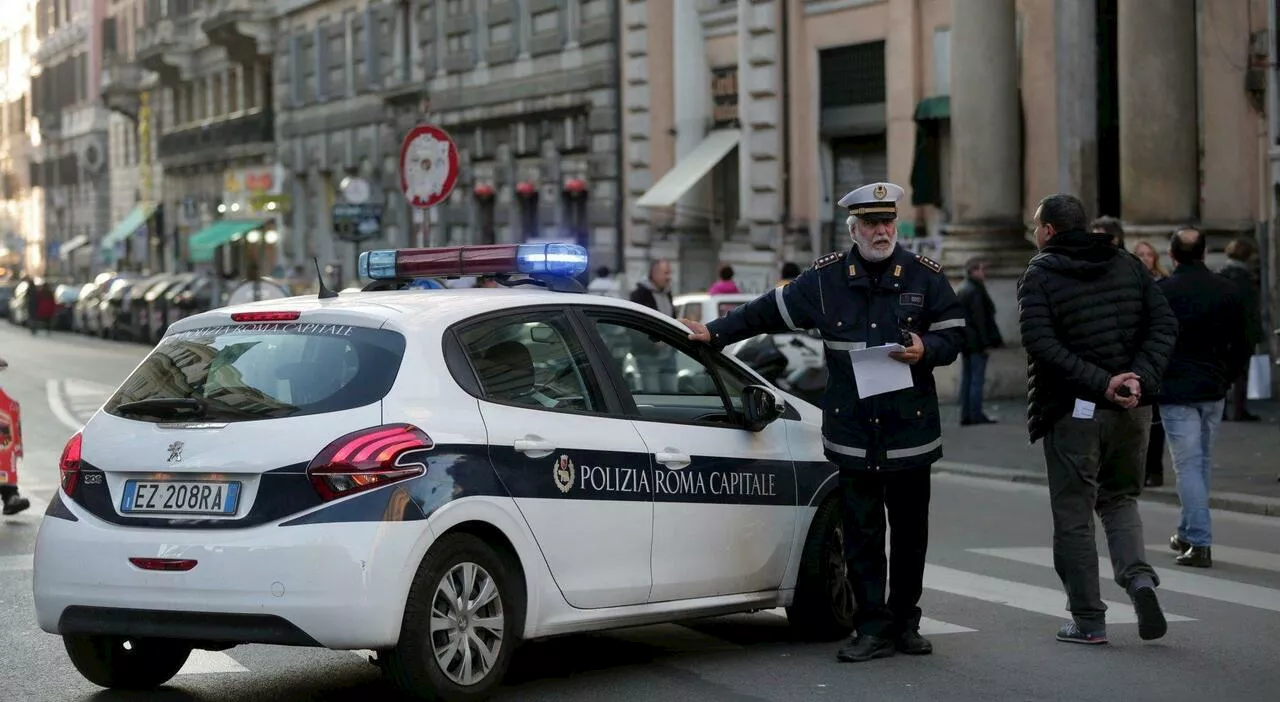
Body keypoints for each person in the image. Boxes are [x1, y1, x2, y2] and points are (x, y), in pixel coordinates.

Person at [681, 181, 966, 663]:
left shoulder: (925, 275)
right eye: (872, 224)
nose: (882, 231)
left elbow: (955, 332)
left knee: (911, 532)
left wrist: (928, 350)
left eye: (888, 222)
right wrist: (716, 332)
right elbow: (767, 310)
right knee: (861, 533)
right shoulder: (825, 279)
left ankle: (905, 622)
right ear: (853, 229)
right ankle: (872, 626)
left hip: (909, 429)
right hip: (854, 429)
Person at [1017, 193, 1178, 645]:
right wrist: (1136, 380)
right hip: (1132, 408)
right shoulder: (1126, 263)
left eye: (1036, 225)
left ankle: (1088, 619)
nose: (1035, 232)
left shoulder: (1040, 273)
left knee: (1074, 514)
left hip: (1074, 411)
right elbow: (1164, 325)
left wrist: (1101, 382)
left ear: (1049, 230)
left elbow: (1040, 344)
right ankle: (1139, 580)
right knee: (1121, 498)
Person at [1158, 228, 1251, 568]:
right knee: (1201, 464)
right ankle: (1187, 531)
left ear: (1172, 255)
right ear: (1204, 252)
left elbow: (1152, 341)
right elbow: (1244, 341)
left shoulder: (1164, 292)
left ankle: (1198, 541)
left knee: (1187, 466)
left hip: (1177, 390)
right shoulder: (1227, 289)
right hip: (1213, 388)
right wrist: (1227, 377)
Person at [1217, 238, 1263, 422]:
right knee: (1241, 373)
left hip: (1222, 332)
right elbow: (1251, 310)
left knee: (1223, 372)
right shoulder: (1246, 278)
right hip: (1242, 333)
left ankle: (1221, 411)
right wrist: (1257, 334)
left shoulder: (1220, 275)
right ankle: (1239, 410)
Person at [956, 257, 1002, 425]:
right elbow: (980, 320)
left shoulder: (964, 288)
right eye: (982, 269)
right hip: (976, 343)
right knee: (976, 379)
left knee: (968, 378)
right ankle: (974, 414)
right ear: (973, 271)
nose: (985, 273)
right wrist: (986, 343)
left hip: (967, 342)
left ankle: (967, 414)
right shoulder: (975, 290)